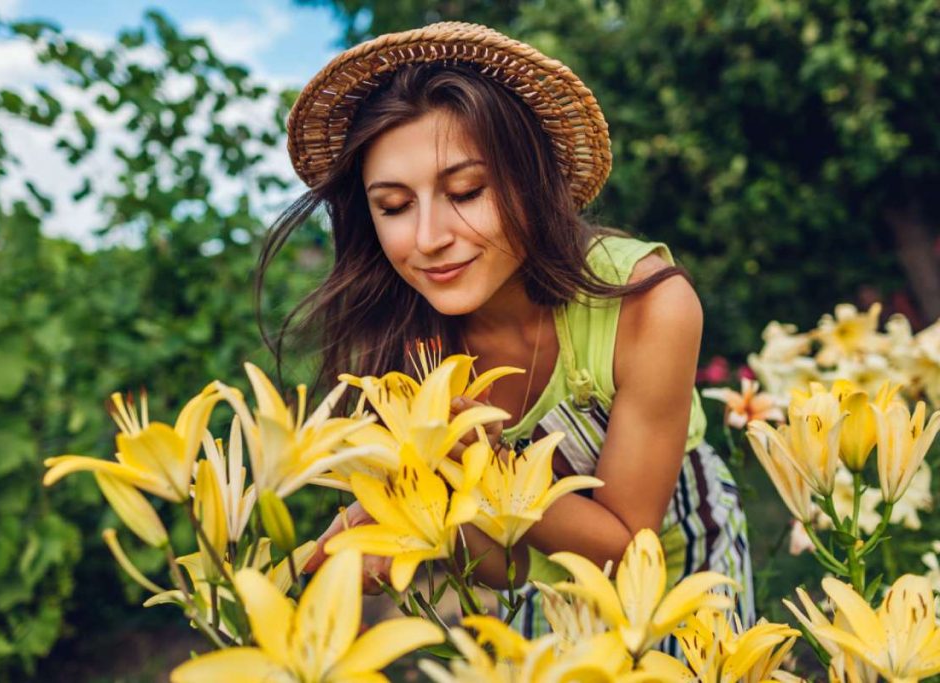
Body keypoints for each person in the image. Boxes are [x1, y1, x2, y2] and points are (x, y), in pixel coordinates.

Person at [259, 21, 754, 653]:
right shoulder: (406, 343)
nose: (429, 237)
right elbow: (508, 569)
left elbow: (630, 545)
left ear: (531, 180)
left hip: (688, 567)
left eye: (466, 191)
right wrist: (410, 518)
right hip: (549, 598)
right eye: (393, 206)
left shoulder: (649, 303)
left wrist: (482, 466)